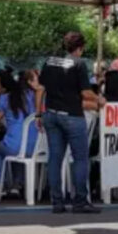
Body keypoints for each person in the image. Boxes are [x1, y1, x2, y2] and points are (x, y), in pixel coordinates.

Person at [36, 31, 99, 214]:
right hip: (72, 116)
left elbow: (40, 89)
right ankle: (80, 202)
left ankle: (57, 202)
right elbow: (86, 93)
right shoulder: (79, 64)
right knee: (80, 158)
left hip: (51, 115)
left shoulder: (50, 61)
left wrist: (39, 115)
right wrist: (100, 99)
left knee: (55, 158)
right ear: (80, 48)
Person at [0, 69, 39, 194]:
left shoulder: (5, 98)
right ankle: (17, 184)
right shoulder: (34, 96)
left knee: (0, 149)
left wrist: (2, 126)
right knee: (18, 149)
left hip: (15, 147)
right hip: (36, 148)